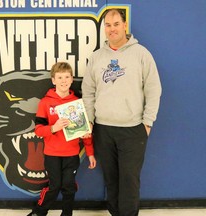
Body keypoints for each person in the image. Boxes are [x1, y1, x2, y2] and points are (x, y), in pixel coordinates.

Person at [81, 9, 162, 216]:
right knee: (111, 178)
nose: (112, 29)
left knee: (129, 179)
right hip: (103, 129)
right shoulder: (97, 57)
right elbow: (88, 92)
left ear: (124, 25)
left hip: (133, 129)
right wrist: (89, 120)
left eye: (116, 24)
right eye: (108, 25)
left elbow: (154, 89)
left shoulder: (141, 54)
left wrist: (148, 122)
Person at [27, 62, 96, 216]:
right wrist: (53, 128)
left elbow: (85, 132)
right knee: (54, 186)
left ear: (72, 79)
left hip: (71, 154)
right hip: (52, 154)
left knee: (68, 186)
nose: (63, 80)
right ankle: (39, 212)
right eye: (60, 77)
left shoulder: (77, 103)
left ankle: (67, 214)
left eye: (67, 77)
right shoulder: (45, 102)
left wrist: (90, 152)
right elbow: (38, 130)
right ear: (53, 80)